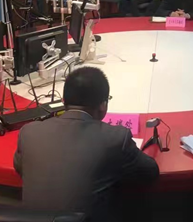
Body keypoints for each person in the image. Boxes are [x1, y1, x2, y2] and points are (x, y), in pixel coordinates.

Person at [13, 67, 159, 221]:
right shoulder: (115, 138)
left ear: (63, 102)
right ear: (103, 105)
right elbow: (150, 172)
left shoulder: (29, 132)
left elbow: (20, 167)